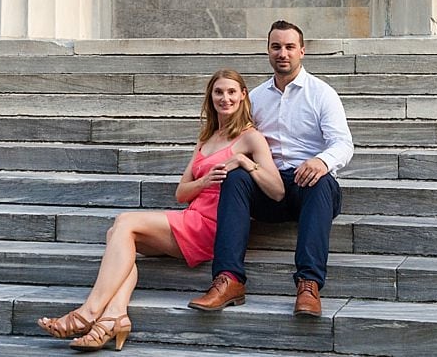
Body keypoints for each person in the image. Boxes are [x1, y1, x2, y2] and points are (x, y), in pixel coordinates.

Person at [37, 70, 284, 351]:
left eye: (231, 92)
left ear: (243, 95)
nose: (224, 98)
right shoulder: (206, 139)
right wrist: (204, 181)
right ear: (210, 97)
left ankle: (89, 312)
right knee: (118, 234)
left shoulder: (251, 138)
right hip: (192, 217)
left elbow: (277, 190)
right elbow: (181, 193)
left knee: (124, 222)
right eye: (218, 92)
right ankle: (114, 317)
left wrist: (243, 161)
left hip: (216, 225)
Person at [190, 20, 354, 318]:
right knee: (237, 178)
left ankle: (308, 284)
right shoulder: (255, 98)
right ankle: (229, 280)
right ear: (268, 50)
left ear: (302, 51)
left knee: (320, 181)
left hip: (309, 187)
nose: (283, 53)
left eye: (290, 47)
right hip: (269, 187)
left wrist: (321, 161)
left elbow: (343, 144)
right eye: (276, 46)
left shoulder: (322, 94)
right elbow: (234, 136)